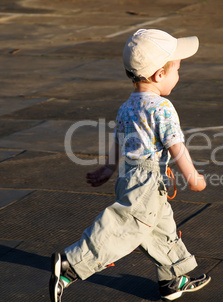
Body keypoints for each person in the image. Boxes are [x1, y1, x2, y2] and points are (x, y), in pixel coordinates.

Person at [49, 29, 210, 302]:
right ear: (160, 75)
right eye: (177, 70)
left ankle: (173, 278)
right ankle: (72, 264)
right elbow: (176, 147)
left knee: (161, 228)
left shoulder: (126, 106)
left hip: (131, 175)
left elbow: (119, 141)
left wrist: (109, 168)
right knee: (124, 228)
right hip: (147, 181)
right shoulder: (163, 107)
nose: (178, 76)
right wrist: (193, 177)